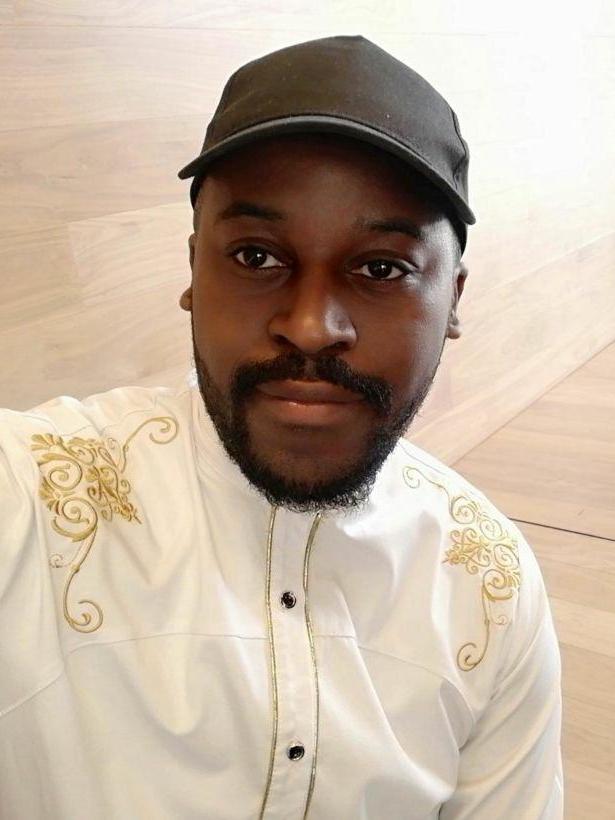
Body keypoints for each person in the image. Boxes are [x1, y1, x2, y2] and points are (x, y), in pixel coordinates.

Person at [0, 35, 563, 819]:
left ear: (453, 301)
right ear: (193, 271)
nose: (308, 327)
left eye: (380, 268)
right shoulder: (31, 490)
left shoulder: (487, 582)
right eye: (256, 258)